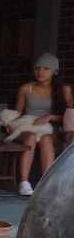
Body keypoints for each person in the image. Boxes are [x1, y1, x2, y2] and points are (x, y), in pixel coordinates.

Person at [10, 52, 73, 195]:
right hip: (27, 126)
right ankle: (24, 183)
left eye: (46, 68)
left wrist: (51, 116)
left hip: (50, 130)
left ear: (54, 71)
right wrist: (10, 123)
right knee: (31, 137)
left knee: (45, 139)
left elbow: (69, 116)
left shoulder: (64, 90)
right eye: (37, 68)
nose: (40, 72)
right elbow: (17, 113)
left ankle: (46, 183)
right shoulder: (26, 88)